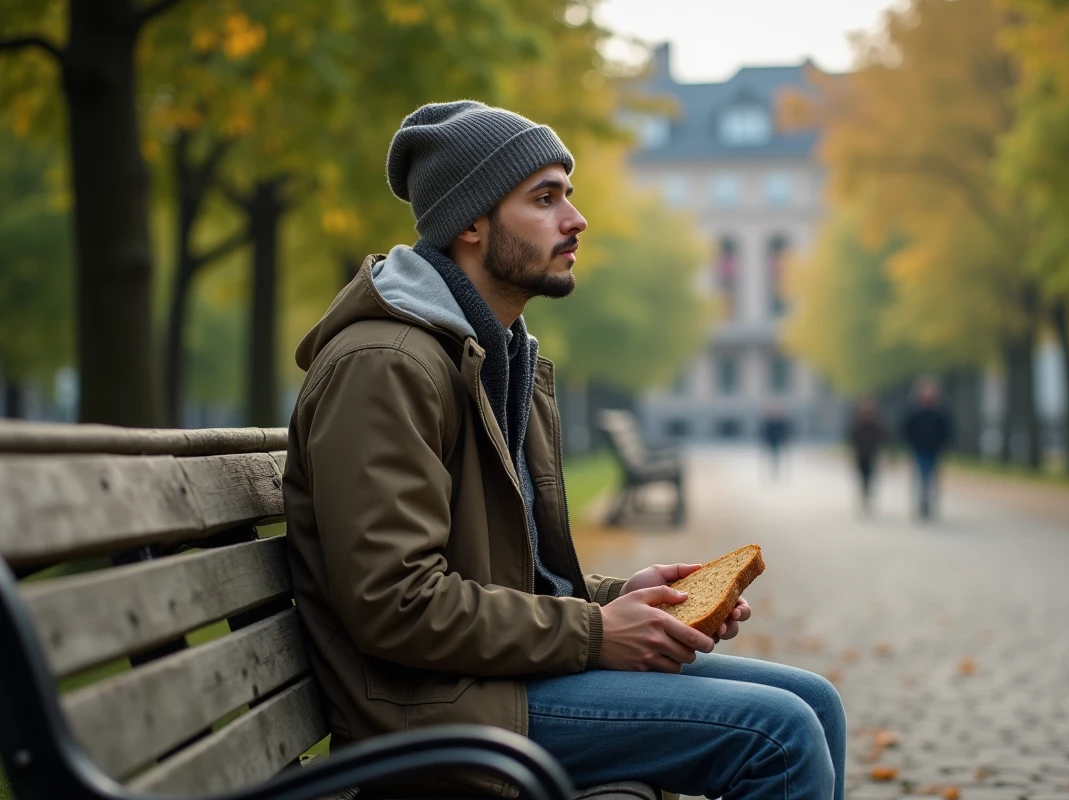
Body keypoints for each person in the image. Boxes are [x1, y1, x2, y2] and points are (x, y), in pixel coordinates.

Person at [282, 101, 844, 800]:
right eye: (544, 199)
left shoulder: (496, 356)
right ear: (470, 222)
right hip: (434, 717)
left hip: (498, 683)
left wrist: (627, 599)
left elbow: (508, 582)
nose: (575, 220)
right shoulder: (386, 364)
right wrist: (593, 631)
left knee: (816, 702)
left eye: (568, 196)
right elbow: (393, 602)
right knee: (779, 736)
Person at [902, 378, 953, 520]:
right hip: (918, 449)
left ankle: (928, 503)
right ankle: (922, 503)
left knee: (931, 477)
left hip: (934, 450)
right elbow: (907, 429)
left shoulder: (940, 413)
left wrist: (945, 445)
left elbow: (946, 431)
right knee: (922, 476)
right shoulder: (914, 412)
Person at [847, 398, 888, 513]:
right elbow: (852, 438)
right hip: (861, 454)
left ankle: (867, 493)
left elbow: (883, 436)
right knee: (862, 476)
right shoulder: (857, 424)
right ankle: (864, 494)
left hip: (872, 454)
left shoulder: (875, 424)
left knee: (870, 475)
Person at [761, 406, 790, 479]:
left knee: (777, 457)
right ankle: (772, 471)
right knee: (772, 457)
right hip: (771, 442)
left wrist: (784, 441)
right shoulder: (769, 423)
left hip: (778, 442)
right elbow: (765, 433)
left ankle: (777, 471)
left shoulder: (780, 423)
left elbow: (784, 433)